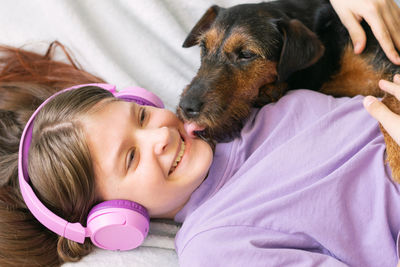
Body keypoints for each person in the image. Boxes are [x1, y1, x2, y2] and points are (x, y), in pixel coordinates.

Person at [0, 1, 399, 266]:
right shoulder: (216, 245)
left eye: (140, 116)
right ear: (115, 220)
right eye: (131, 157)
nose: (158, 134)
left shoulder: (251, 107)